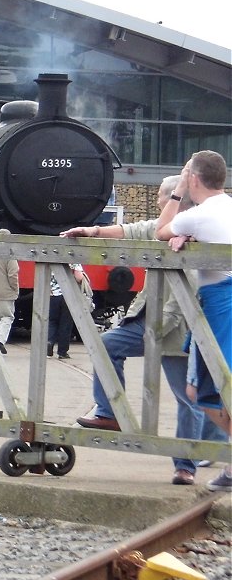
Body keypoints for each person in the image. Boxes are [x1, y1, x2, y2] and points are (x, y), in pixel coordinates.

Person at [65, 176, 222, 484]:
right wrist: (92, 230)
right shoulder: (161, 228)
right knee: (107, 344)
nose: (157, 205)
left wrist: (156, 330)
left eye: (161, 201)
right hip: (147, 319)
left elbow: (183, 294)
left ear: (172, 201)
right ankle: (110, 412)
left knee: (186, 399)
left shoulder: (191, 233)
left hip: (174, 329)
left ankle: (185, 466)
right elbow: (129, 230)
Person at [156, 150, 232, 492]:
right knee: (205, 388)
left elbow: (161, 230)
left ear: (194, 179)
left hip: (219, 303)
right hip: (218, 301)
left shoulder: (199, 214)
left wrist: (176, 194)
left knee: (209, 389)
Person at [46, 262, 87, 359]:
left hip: (53, 295)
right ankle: (62, 352)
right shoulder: (73, 259)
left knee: (52, 321)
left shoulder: (50, 257)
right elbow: (79, 277)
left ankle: (49, 342)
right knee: (66, 324)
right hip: (68, 296)